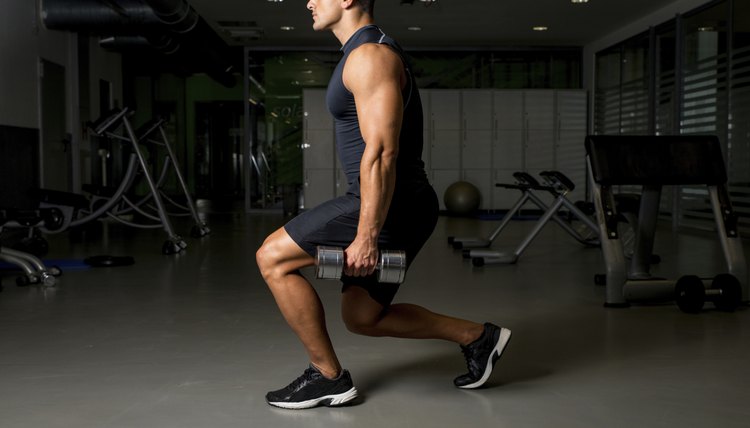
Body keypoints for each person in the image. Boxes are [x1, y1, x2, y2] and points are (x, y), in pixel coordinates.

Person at [256, 0, 511, 410]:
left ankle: (327, 378)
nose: (309, 1)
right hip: (402, 204)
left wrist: (366, 235)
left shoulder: (370, 57)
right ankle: (476, 337)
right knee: (363, 318)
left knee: (272, 257)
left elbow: (380, 154)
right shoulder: (362, 53)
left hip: (390, 204)